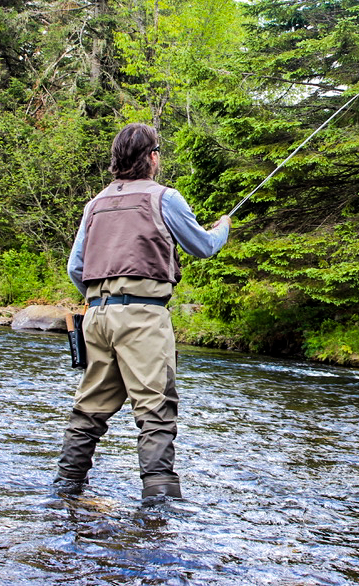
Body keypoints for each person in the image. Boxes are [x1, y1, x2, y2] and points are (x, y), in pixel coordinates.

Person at [55, 123, 231, 502]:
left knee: (90, 408)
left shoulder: (95, 203)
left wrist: (102, 300)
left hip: (97, 317)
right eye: (158, 153)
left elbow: (75, 268)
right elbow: (202, 247)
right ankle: (160, 501)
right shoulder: (164, 198)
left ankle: (66, 487)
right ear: (151, 157)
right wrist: (223, 229)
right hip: (143, 316)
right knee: (155, 408)